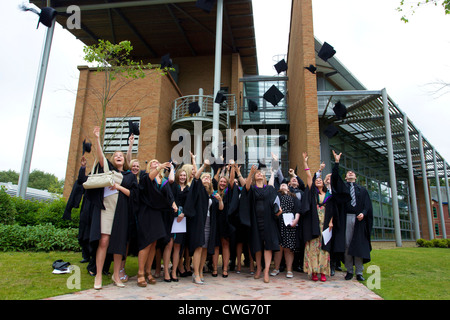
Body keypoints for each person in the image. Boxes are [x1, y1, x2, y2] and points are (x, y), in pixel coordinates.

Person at [90, 126, 137, 290]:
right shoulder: (108, 169)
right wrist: (97, 138)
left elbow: (133, 194)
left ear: (124, 160)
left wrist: (118, 187)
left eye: (121, 156)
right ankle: (98, 275)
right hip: (107, 210)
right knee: (104, 241)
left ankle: (117, 275)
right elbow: (100, 157)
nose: (118, 157)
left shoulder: (129, 176)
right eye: (115, 155)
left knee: (119, 245)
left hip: (122, 212)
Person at [332, 150, 373, 281]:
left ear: (355, 177)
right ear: (345, 177)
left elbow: (367, 205)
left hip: (359, 220)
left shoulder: (362, 190)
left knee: (359, 245)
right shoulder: (343, 187)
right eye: (348, 172)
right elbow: (334, 178)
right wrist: (337, 162)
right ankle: (349, 271)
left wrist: (363, 213)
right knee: (347, 245)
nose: (350, 173)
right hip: (346, 218)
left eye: (352, 173)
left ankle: (359, 272)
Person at [184, 153, 224, 284]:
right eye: (204, 177)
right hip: (198, 223)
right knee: (198, 248)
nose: (207, 178)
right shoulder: (198, 189)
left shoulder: (211, 196)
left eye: (208, 177)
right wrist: (202, 165)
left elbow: (220, 209)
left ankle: (200, 271)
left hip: (208, 225)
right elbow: (196, 176)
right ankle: (195, 274)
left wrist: (220, 200)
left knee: (205, 249)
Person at [135, 159, 176, 287]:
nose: (156, 163)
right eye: (153, 162)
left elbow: (169, 195)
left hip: (158, 213)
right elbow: (148, 180)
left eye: (158, 162)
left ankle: (148, 272)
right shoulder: (144, 176)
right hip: (146, 212)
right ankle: (140, 273)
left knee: (153, 243)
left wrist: (174, 205)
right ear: (149, 166)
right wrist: (160, 168)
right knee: (146, 243)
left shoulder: (163, 181)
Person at [239, 164, 281, 283]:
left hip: (268, 221)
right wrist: (251, 173)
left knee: (268, 245)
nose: (259, 174)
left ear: (264, 178)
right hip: (256, 221)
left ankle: (266, 270)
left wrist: (278, 211)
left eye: (261, 173)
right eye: (257, 173)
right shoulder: (252, 189)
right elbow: (246, 187)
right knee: (257, 246)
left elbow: (275, 203)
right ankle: (259, 268)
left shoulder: (269, 189)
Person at [301, 152, 334, 282]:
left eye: (320, 180)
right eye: (317, 180)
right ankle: (314, 271)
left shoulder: (329, 195)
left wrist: (331, 222)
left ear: (324, 183)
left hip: (326, 223)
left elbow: (333, 211)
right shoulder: (312, 192)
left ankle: (323, 272)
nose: (318, 181)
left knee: (324, 247)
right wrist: (305, 162)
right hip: (314, 223)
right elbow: (309, 176)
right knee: (313, 247)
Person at [270, 178, 301, 279]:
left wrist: (296, 219)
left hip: (290, 224)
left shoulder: (293, 197)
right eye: (281, 185)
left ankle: (289, 269)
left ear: (288, 187)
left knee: (288, 248)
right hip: (278, 223)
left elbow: (297, 209)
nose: (283, 185)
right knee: (279, 248)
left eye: (285, 185)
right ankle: (276, 268)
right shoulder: (277, 195)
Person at [169, 164, 193, 282]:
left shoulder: (189, 189)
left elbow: (190, 204)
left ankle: (174, 271)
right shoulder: (174, 186)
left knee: (179, 245)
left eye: (185, 175)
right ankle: (172, 270)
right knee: (170, 244)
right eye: (181, 175)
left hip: (182, 219)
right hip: (172, 216)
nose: (183, 177)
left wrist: (184, 214)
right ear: (178, 176)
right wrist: (173, 168)